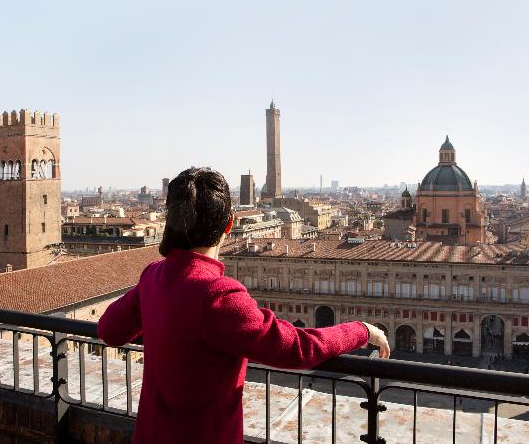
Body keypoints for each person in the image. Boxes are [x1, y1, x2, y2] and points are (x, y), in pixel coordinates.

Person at [98, 168, 389, 444]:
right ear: (229, 224)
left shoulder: (153, 276)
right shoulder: (217, 294)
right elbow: (297, 349)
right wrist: (361, 330)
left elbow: (109, 330)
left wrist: (163, 327)